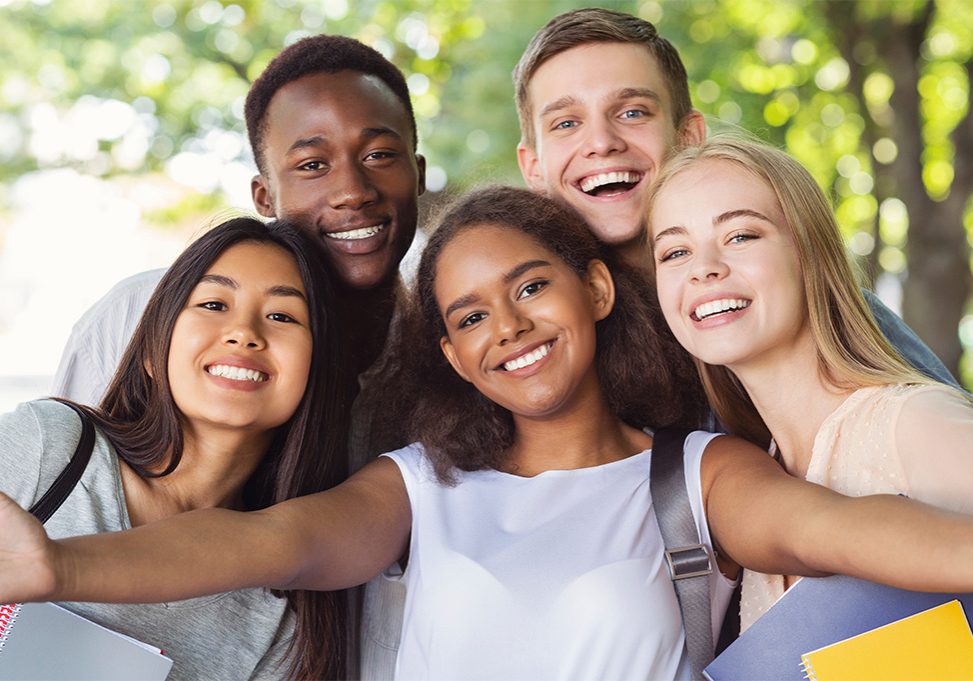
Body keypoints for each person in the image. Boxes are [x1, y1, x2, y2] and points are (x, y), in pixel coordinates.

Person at [3, 187, 973, 681]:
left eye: (529, 286)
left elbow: (844, 531)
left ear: (594, 290)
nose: (504, 325)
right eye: (467, 316)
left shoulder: (695, 472)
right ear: (453, 355)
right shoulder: (419, 487)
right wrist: (59, 567)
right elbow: (268, 543)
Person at [48, 34, 426, 678]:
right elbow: (67, 487)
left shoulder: (449, 364)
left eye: (380, 155)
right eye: (311, 165)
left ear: (418, 173)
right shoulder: (147, 316)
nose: (353, 189)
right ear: (263, 196)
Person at [511, 7, 959, 387]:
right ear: (533, 167)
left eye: (632, 112)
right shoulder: (535, 340)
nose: (602, 141)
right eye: (566, 123)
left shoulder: (812, 302)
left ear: (688, 137)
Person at [0, 217, 351, 679]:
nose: (243, 332)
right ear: (152, 348)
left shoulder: (280, 618)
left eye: (282, 316)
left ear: (315, 372)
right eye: (213, 303)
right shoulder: (52, 447)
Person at [646, 136, 973, 631]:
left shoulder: (916, 424)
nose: (704, 268)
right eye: (674, 252)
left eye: (741, 236)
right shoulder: (761, 476)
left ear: (809, 251)